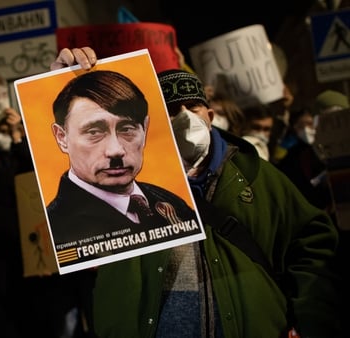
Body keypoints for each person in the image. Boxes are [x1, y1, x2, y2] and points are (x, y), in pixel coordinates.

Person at [50, 47, 342, 338]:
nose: (185, 117)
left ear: (211, 115)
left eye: (193, 107)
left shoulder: (252, 176)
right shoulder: (126, 189)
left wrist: (310, 320)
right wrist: (59, 80)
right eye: (173, 110)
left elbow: (312, 242)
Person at [47, 69, 199, 260]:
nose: (116, 150)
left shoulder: (172, 204)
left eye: (127, 129)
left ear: (145, 129)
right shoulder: (54, 230)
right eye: (94, 132)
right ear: (62, 138)